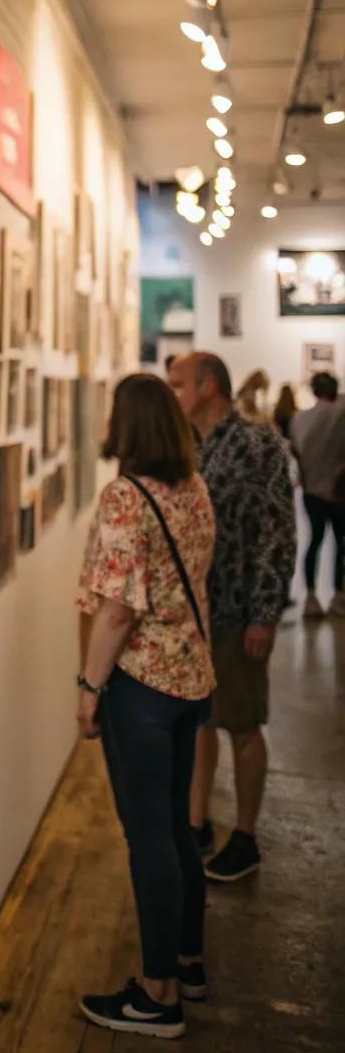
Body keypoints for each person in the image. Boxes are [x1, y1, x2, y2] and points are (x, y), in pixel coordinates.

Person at [76, 374, 215, 1038]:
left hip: (143, 687)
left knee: (148, 834)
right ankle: (187, 959)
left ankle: (157, 995)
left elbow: (116, 608)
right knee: (179, 828)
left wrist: (87, 687)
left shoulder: (126, 497)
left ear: (127, 425)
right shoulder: (191, 487)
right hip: (191, 678)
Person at [168, 352, 295, 884]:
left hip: (240, 609)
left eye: (179, 384)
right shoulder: (188, 446)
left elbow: (277, 531)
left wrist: (264, 615)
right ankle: (197, 822)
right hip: (196, 611)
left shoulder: (256, 442)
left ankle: (245, 834)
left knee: (242, 722)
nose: (173, 392)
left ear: (209, 386)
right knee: (201, 722)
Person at [291, 371, 345, 619]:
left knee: (314, 542)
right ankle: (338, 595)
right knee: (340, 543)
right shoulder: (340, 414)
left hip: (311, 489)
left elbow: (298, 455)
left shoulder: (299, 419)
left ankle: (310, 597)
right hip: (337, 489)